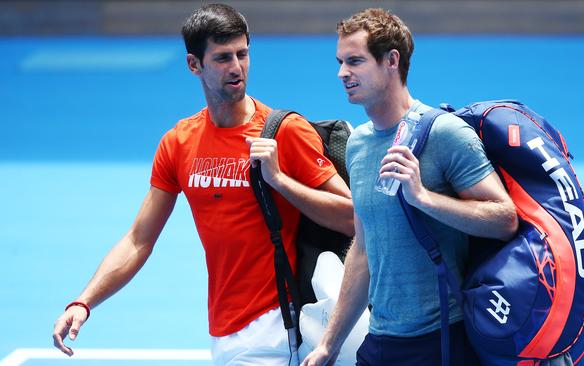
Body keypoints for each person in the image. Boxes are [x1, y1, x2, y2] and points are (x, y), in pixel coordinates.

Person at [51, 4, 354, 366]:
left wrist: (279, 180)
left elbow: (354, 218)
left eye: (243, 54)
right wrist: (84, 301)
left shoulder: (284, 132)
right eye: (223, 58)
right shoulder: (178, 142)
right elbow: (138, 239)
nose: (237, 67)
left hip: (277, 325)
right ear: (195, 65)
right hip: (222, 328)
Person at [301, 8, 519, 366]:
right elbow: (363, 248)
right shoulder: (357, 145)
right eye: (340, 62)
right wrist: (330, 343)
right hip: (382, 341)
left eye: (355, 61)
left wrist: (424, 198)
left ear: (392, 60)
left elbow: (504, 220)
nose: (342, 73)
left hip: (443, 340)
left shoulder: (445, 133)